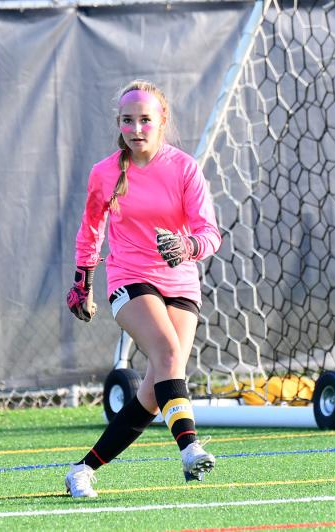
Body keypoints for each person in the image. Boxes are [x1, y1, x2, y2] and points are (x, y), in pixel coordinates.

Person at [64, 79, 222, 498]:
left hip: (181, 280)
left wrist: (187, 245)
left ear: (162, 121)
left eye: (146, 120)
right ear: (118, 123)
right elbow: (91, 230)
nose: (137, 128)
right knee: (169, 353)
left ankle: (82, 470)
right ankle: (190, 448)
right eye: (128, 120)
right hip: (129, 277)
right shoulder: (105, 172)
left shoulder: (184, 168)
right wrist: (83, 282)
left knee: (154, 389)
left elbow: (210, 234)